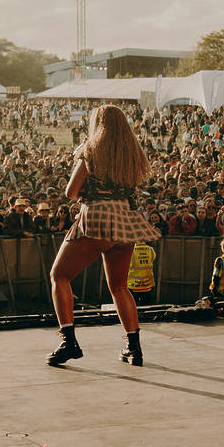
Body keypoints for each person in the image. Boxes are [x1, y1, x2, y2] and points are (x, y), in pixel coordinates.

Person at [48, 105, 159, 367]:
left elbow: (70, 192)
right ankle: (134, 349)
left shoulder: (91, 150)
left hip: (97, 218)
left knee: (59, 276)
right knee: (120, 286)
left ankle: (68, 342)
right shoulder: (133, 155)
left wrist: (79, 157)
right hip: (125, 221)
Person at [126, 240, 156, 305]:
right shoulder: (151, 250)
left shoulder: (131, 251)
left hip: (133, 285)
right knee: (145, 308)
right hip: (147, 285)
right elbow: (152, 259)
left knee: (132, 307)